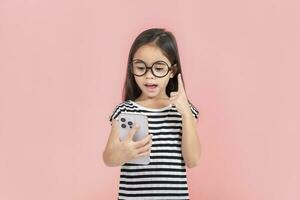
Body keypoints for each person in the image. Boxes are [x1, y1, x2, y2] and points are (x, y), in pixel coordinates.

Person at [102, 28, 201, 200]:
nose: (149, 77)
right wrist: (123, 153)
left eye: (159, 68)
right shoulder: (124, 111)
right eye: (141, 67)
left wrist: (185, 113)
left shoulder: (183, 111)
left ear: (172, 71)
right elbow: (108, 158)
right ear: (132, 68)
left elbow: (192, 161)